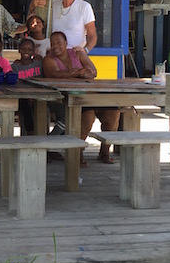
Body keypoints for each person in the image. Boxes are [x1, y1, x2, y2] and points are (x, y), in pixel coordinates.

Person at [43, 31, 119, 166]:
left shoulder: (78, 53)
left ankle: (105, 151)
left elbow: (93, 72)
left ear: (66, 43)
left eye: (59, 43)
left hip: (90, 94)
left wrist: (76, 73)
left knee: (113, 112)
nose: (55, 46)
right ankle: (77, 152)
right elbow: (55, 74)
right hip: (67, 99)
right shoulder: (49, 59)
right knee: (87, 115)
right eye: (52, 43)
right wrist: (79, 72)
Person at [30, 0, 97, 52]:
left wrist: (85, 50)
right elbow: (32, 20)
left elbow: (92, 36)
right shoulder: (52, 5)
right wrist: (32, 6)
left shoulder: (85, 7)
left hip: (75, 54)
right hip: (55, 53)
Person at [12, 38, 42, 135]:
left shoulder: (39, 64)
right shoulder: (15, 67)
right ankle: (30, 132)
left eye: (29, 49)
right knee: (24, 104)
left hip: (38, 96)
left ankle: (42, 134)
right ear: (19, 50)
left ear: (33, 51)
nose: (26, 52)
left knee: (40, 106)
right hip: (22, 97)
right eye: (24, 49)